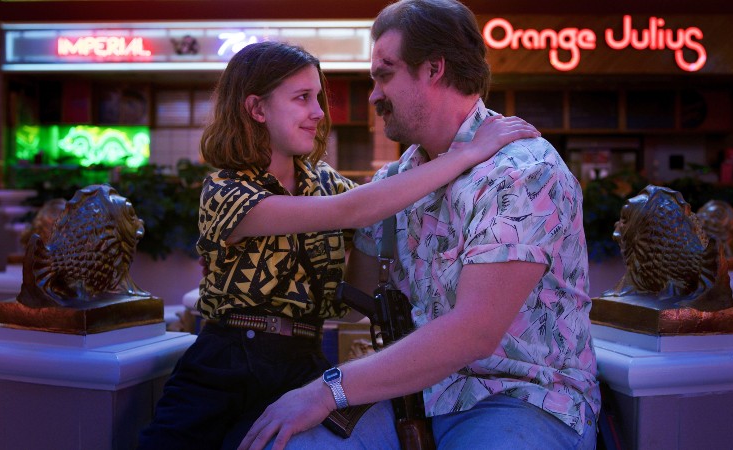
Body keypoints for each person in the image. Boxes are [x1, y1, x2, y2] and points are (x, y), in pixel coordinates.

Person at [137, 40, 539, 450]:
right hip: (226, 358)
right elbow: (355, 209)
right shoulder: (226, 190)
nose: (318, 112)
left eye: (318, 98)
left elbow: (380, 213)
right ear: (257, 109)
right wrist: (467, 153)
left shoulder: (325, 182)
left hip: (303, 361)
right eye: (302, 98)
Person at [238, 1, 602, 449]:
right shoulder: (394, 184)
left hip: (521, 397)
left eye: (384, 74)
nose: (373, 95)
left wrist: (325, 390)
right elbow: (348, 300)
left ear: (433, 68)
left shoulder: (521, 173)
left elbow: (474, 332)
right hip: (416, 395)